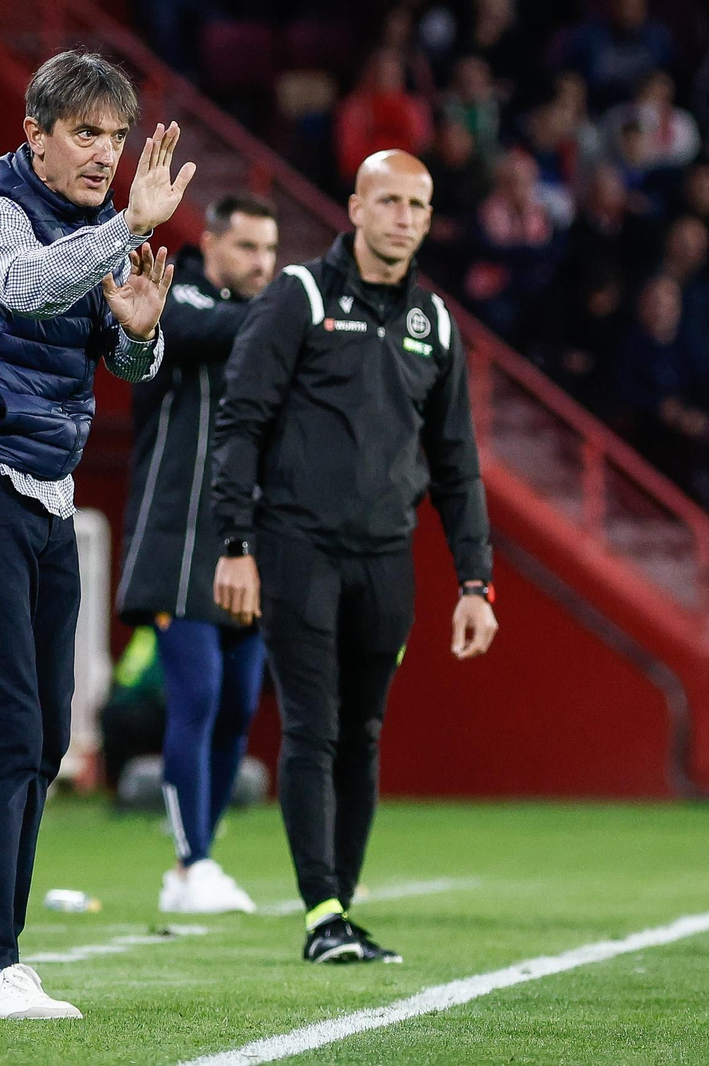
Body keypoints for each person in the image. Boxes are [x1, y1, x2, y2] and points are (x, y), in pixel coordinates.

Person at [0, 50, 193, 1020]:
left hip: (41, 485)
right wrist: (126, 230)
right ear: (35, 134)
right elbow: (26, 287)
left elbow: (124, 360)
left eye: (116, 136)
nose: (105, 154)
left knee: (49, 732)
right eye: (84, 133)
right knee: (6, 724)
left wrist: (139, 331)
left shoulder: (89, 230)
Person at [210, 150, 497, 966]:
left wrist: (475, 581)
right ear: (356, 208)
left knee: (363, 732)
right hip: (296, 549)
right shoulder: (298, 297)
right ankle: (322, 913)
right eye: (390, 201)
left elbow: (457, 465)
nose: (404, 217)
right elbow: (240, 424)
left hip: (386, 560)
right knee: (314, 727)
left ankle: (341, 911)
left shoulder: (435, 323)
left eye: (418, 205)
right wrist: (236, 543)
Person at [115, 193, 278, 915]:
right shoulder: (171, 293)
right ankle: (192, 860)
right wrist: (291, 317)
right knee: (199, 695)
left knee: (239, 704)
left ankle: (195, 869)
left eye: (269, 250)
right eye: (247, 247)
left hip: (246, 543)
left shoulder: (263, 320)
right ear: (210, 245)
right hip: (176, 540)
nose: (262, 263)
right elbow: (194, 331)